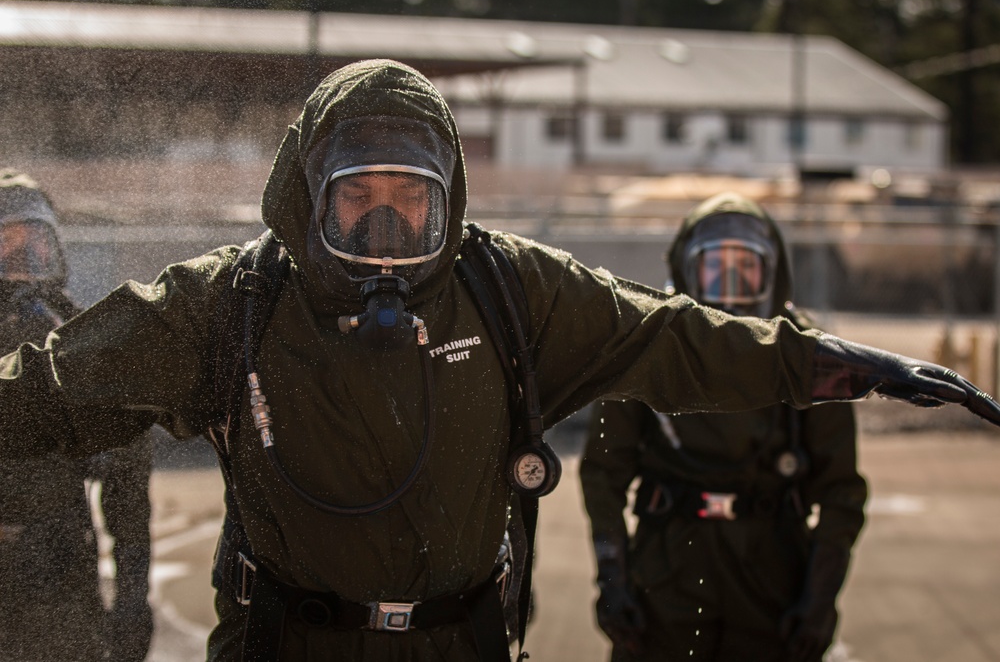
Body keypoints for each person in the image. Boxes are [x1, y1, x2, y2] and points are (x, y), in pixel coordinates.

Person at [0, 59, 997, 662]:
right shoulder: (230, 304)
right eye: (358, 198)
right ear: (308, 197)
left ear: (450, 198)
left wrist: (822, 361)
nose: (386, 222)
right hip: (285, 645)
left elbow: (668, 334)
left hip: (460, 645)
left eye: (410, 197)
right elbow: (50, 389)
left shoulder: (511, 291)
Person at [580, 192, 867, 662]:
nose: (731, 287)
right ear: (688, 272)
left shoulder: (809, 359)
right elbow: (603, 473)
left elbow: (841, 492)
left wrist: (819, 598)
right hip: (667, 574)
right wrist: (613, 580)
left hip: (772, 577)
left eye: (746, 269)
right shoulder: (646, 347)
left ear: (773, 276)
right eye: (717, 269)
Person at [0, 168, 154, 662]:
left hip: (60, 585)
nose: (24, 264)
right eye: (6, 246)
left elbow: (127, 487)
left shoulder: (74, 345)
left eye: (35, 246)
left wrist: (132, 601)